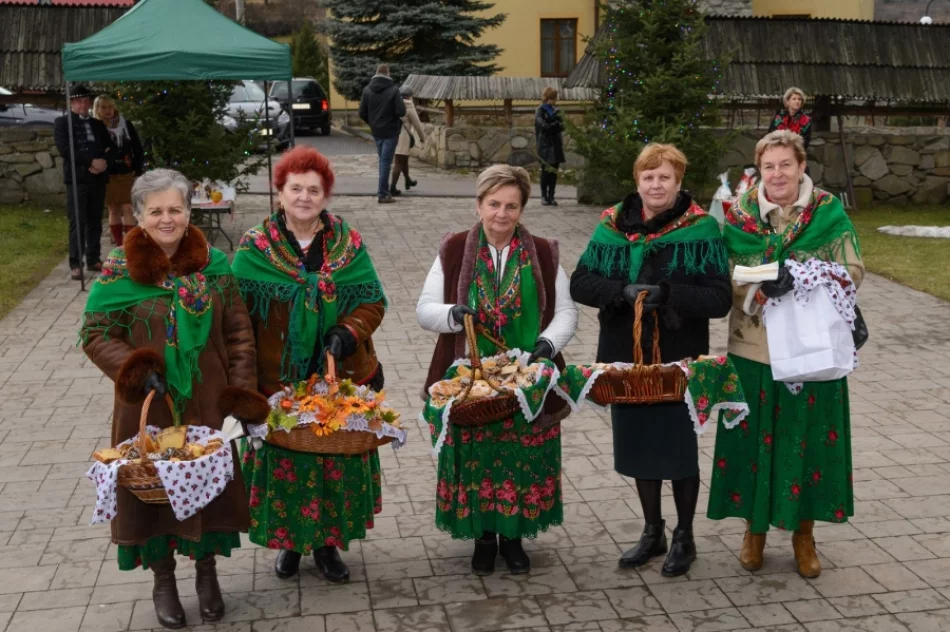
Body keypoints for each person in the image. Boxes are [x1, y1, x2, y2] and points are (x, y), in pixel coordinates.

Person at [81, 169, 269, 629]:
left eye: (176, 209)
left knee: (207, 489)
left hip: (207, 405)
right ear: (138, 216)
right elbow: (95, 333)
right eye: (156, 211)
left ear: (190, 211)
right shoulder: (118, 273)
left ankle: (207, 574)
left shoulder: (215, 267)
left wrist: (240, 394)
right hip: (148, 406)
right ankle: (163, 579)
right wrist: (139, 370)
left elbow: (239, 333)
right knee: (152, 489)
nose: (167, 219)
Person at [707, 130, 864, 579]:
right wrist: (758, 285)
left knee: (806, 443)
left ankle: (803, 534)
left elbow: (853, 270)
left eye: (786, 165)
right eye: (769, 166)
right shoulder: (738, 215)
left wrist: (801, 274)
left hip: (813, 351)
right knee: (752, 444)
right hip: (754, 349)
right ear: (760, 170)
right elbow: (725, 276)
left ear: (801, 167)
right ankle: (754, 532)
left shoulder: (828, 212)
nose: (778, 174)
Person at [570, 144, 732, 577]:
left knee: (677, 449)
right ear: (637, 181)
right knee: (640, 446)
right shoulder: (611, 226)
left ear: (679, 182)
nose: (655, 184)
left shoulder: (702, 230)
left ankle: (685, 536)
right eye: (648, 177)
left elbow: (720, 298)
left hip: (677, 360)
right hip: (626, 359)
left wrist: (670, 295)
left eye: (665, 177)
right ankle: (652, 530)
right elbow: (580, 283)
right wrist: (618, 291)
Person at [232, 146, 388, 583]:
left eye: (313, 189)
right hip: (276, 381)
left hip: (339, 376)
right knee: (287, 465)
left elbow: (374, 300)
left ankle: (326, 545)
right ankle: (289, 543)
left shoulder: (348, 243)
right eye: (295, 188)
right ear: (278, 192)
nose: (304, 197)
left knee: (332, 463)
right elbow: (235, 316)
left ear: (326, 195)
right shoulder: (254, 247)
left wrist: (348, 331)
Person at [417, 164, 578, 576]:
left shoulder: (543, 252)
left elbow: (565, 313)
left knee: (521, 457)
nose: (501, 214)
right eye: (493, 204)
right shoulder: (454, 249)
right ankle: (484, 538)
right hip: (471, 381)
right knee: (477, 457)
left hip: (524, 379)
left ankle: (514, 538)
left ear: (522, 209)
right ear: (478, 205)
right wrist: (454, 313)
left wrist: (547, 346)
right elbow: (424, 311)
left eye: (511, 206)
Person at [54, 84, 115, 280]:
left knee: (95, 220)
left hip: (97, 178)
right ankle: (75, 262)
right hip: (77, 179)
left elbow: (111, 148)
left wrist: (103, 163)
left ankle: (93, 257)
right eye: (79, 100)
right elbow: (66, 150)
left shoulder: (98, 125)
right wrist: (90, 162)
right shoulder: (62, 123)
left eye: (86, 100)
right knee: (77, 221)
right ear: (71, 102)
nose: (84, 104)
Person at [93, 95, 145, 246]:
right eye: (103, 107)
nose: (108, 110)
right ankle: (119, 243)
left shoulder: (125, 124)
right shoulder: (96, 127)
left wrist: (137, 167)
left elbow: (137, 147)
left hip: (126, 172)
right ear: (97, 109)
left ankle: (129, 243)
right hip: (107, 174)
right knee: (113, 209)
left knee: (128, 207)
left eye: (110, 106)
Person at [358, 64, 406, 204]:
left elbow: (362, 112)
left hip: (376, 131)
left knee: (382, 161)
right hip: (390, 131)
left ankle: (383, 191)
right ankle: (383, 194)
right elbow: (401, 111)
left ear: (376, 73)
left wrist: (372, 122)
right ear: (388, 74)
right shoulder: (393, 90)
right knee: (385, 162)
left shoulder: (367, 90)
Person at [389, 85, 425, 197]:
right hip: (403, 137)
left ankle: (407, 180)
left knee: (404, 160)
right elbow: (417, 123)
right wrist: (422, 137)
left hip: (392, 135)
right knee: (399, 162)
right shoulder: (409, 105)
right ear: (410, 96)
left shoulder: (393, 103)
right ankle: (392, 187)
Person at [535, 87, 566, 207]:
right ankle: (544, 196)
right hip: (545, 145)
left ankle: (552, 196)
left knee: (554, 172)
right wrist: (554, 124)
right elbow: (543, 126)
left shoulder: (556, 110)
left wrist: (554, 124)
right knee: (545, 172)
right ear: (547, 98)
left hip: (556, 144)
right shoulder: (539, 110)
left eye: (554, 99)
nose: (553, 101)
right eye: (552, 98)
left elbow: (563, 125)